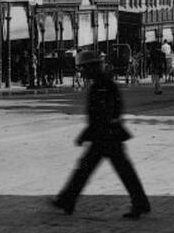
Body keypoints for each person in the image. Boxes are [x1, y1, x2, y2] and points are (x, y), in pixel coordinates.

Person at [52, 50, 152, 219]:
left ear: (92, 68)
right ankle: (67, 199)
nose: (82, 71)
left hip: (106, 135)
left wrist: (86, 134)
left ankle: (67, 199)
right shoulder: (102, 83)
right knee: (100, 169)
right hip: (106, 134)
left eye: (84, 68)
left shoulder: (102, 84)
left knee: (90, 169)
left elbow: (102, 113)